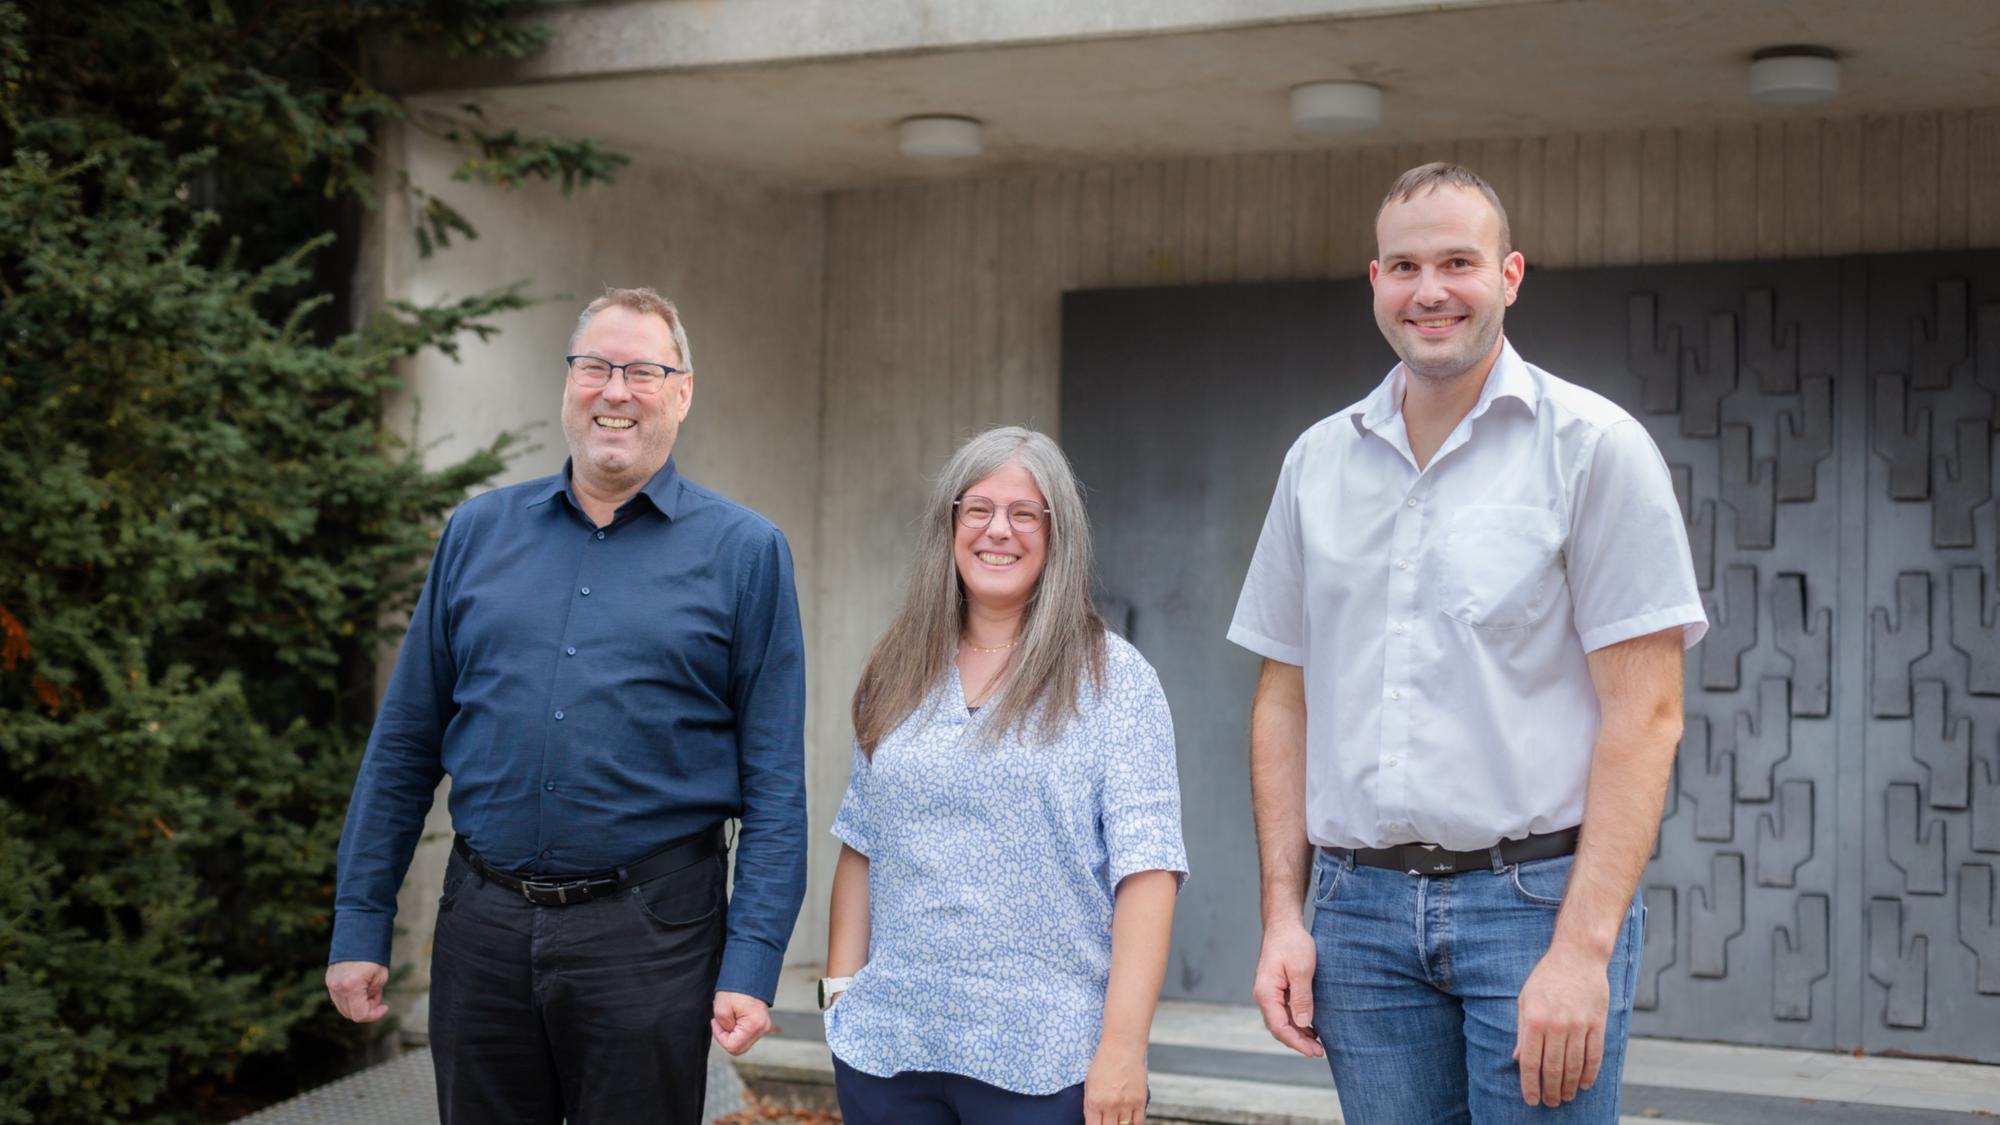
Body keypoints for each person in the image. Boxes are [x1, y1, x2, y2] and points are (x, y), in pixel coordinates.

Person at [1229, 164, 1706, 1123]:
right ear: (1375, 282)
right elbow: (1284, 696)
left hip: (1532, 907)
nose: (1431, 290)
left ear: (1511, 274)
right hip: (1358, 915)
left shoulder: (1594, 449)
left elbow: (1647, 713)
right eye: (1405, 265)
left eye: (1458, 261)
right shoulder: (1316, 463)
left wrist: (1580, 951)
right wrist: (1285, 914)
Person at [324, 287, 808, 1125]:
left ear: (682, 392)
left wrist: (753, 959)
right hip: (481, 927)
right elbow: (404, 744)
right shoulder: (477, 533)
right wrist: (360, 921)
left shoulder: (746, 554)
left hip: (653, 935)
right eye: (594, 367)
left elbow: (776, 785)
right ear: (567, 384)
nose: (614, 390)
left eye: (642, 371)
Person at [821, 426, 1187, 1125]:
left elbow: (1148, 872)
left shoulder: (1115, 679)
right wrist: (839, 995)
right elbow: (860, 841)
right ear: (950, 524)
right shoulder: (898, 670)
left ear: (1058, 533)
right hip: (890, 1052)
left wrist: (1123, 1046)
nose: (999, 530)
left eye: (1025, 512)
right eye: (978, 508)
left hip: (1047, 1062)